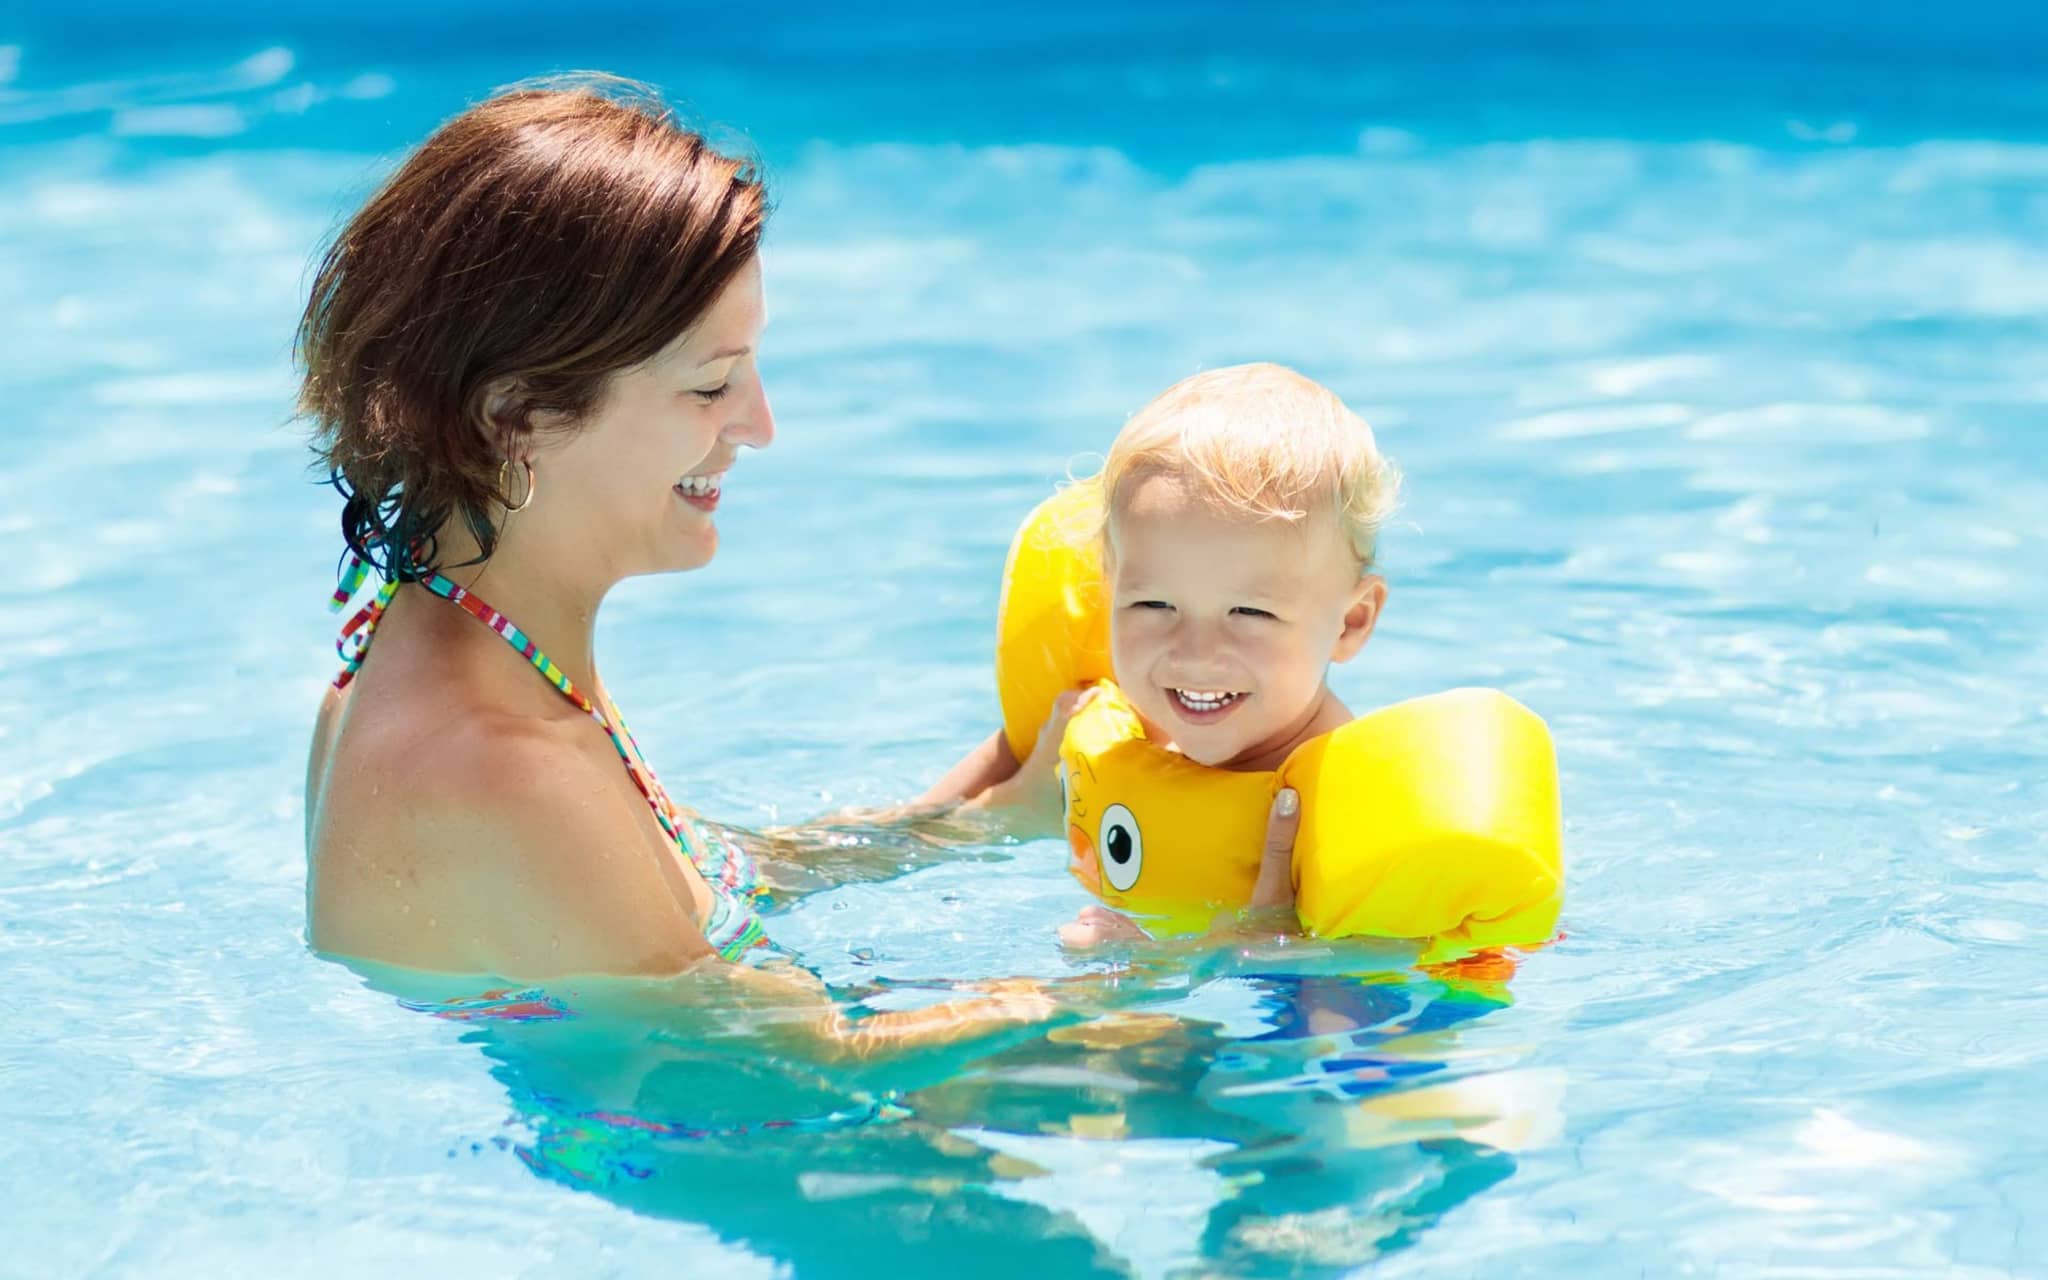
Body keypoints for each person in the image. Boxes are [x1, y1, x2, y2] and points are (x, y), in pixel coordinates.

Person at [298, 76, 1072, 1051]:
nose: (759, 426)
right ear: (514, 417)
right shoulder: (506, 763)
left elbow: (697, 873)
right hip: (678, 1141)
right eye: (710, 386)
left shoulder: (459, 644)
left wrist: (982, 813)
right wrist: (1185, 963)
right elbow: (791, 1063)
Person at [923, 362, 1399, 947]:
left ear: (1352, 621)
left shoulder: (1353, 808)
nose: (1195, 653)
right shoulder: (1094, 733)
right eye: (1153, 604)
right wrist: (1012, 810)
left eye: (1250, 613)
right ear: (1109, 586)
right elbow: (876, 845)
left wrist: (1203, 963)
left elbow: (1412, 989)